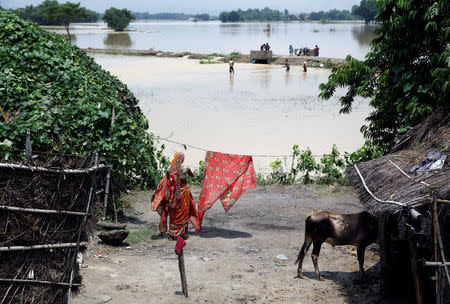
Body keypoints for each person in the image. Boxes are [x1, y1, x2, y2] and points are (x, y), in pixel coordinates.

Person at [151, 152, 201, 240]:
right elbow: (192, 175)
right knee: (184, 212)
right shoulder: (185, 167)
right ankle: (182, 234)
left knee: (174, 213)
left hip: (173, 195)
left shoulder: (170, 169)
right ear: (182, 159)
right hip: (184, 193)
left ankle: (172, 234)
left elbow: (166, 182)